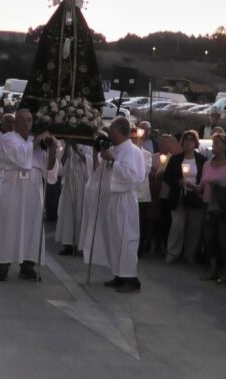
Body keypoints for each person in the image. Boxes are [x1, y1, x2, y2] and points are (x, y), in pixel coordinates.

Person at [0, 109, 57, 281]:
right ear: (15, 124)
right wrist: (38, 140)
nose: (27, 123)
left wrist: (53, 151)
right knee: (8, 227)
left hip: (32, 194)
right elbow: (20, 157)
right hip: (12, 193)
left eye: (30, 120)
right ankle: (2, 264)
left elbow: (49, 169)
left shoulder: (36, 143)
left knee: (31, 228)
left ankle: (28, 265)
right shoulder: (8, 139)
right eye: (23, 120)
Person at [85, 118, 147, 292]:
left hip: (124, 201)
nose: (108, 131)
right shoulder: (114, 149)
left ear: (119, 130)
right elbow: (102, 174)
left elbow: (132, 177)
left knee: (125, 238)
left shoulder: (132, 151)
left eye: (111, 128)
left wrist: (112, 160)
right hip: (111, 201)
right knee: (114, 238)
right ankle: (119, 274)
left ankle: (131, 279)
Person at [198, 133, 226, 283]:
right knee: (209, 238)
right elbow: (202, 185)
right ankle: (213, 270)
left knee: (224, 240)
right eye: (213, 143)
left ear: (225, 146)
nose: (214, 146)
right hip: (208, 205)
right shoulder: (207, 164)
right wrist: (191, 186)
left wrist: (220, 184)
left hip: (223, 208)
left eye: (217, 143)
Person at [162, 130, 207, 264]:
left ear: (195, 143)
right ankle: (172, 252)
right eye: (186, 140)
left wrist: (197, 186)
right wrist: (178, 182)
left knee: (194, 226)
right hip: (179, 195)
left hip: (195, 196)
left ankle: (190, 254)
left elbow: (205, 178)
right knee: (177, 225)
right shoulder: (176, 159)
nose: (188, 142)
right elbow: (167, 176)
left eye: (191, 140)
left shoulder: (202, 160)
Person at [55, 140, 93, 255]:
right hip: (69, 179)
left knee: (79, 211)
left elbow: (90, 162)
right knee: (67, 213)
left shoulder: (87, 144)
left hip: (81, 181)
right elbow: (61, 161)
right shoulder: (66, 144)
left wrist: (77, 151)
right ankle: (68, 243)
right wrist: (67, 146)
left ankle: (78, 244)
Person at [134, 122, 158, 257]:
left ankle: (139, 248)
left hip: (141, 195)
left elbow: (143, 172)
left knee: (140, 223)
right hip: (129, 193)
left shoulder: (147, 154)